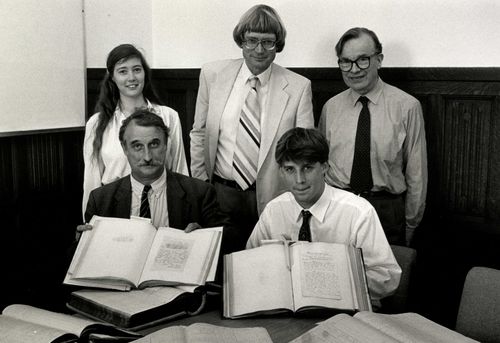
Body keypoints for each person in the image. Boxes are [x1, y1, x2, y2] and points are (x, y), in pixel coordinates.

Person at [190, 4, 314, 250]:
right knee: (222, 267)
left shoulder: (299, 87)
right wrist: (202, 186)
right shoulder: (213, 74)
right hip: (221, 193)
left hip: (274, 197)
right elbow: (199, 132)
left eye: (268, 42)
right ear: (241, 41)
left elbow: (304, 151)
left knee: (269, 269)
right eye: (252, 41)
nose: (259, 50)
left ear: (277, 44)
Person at [247, 128, 401, 303]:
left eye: (307, 168)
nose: (299, 180)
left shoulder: (358, 212)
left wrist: (330, 280)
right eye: (290, 169)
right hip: (285, 309)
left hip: (346, 310)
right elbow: (251, 264)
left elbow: (387, 278)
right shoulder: (274, 210)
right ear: (281, 171)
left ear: (325, 167)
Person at [79, 110, 236, 280]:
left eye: (154, 144)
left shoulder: (199, 192)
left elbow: (231, 239)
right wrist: (81, 244)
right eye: (137, 146)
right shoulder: (101, 199)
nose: (147, 157)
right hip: (121, 290)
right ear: (124, 148)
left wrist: (205, 237)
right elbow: (84, 263)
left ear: (166, 145)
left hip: (178, 288)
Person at [318, 28, 427, 246]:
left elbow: (417, 174)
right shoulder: (331, 107)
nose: (354, 69)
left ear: (379, 60)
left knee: (383, 278)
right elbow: (319, 165)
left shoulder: (407, 107)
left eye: (363, 60)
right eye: (346, 62)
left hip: (386, 211)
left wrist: (411, 224)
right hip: (338, 206)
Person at [82, 44, 188, 218]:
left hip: (161, 207)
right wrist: (91, 222)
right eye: (123, 71)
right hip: (115, 209)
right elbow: (91, 180)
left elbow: (179, 169)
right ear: (112, 78)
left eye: (137, 70)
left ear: (145, 73)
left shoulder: (169, 116)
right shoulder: (97, 124)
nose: (131, 77)